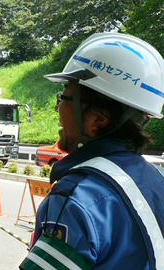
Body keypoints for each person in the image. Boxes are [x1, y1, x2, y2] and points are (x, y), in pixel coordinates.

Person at [20, 33, 164, 270]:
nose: (57, 108)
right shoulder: (157, 179)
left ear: (98, 118)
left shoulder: (77, 196)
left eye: (64, 96)